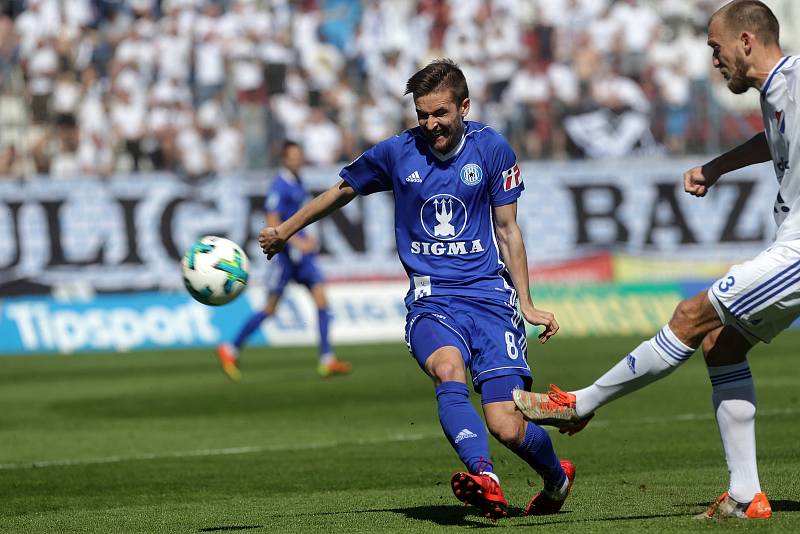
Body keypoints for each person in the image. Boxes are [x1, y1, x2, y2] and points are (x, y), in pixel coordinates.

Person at [513, 0, 797, 520]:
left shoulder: (797, 76)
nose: (714, 61)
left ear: (746, 42)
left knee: (692, 316)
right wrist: (716, 167)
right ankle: (743, 495)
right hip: (791, 243)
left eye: (716, 49)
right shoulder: (778, 93)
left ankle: (583, 402)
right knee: (721, 344)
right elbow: (772, 140)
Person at [259, 59, 574, 520]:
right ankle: (486, 478)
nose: (430, 124)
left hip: (490, 298)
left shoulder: (493, 150)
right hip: (432, 298)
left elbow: (508, 231)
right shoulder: (397, 152)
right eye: (422, 114)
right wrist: (286, 229)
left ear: (464, 106)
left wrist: (526, 303)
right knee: (448, 369)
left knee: (506, 425)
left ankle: (556, 480)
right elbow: (342, 190)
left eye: (440, 113)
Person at [217, 141, 352, 381]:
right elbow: (271, 218)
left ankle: (327, 359)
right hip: (286, 258)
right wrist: (297, 242)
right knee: (270, 308)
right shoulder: (279, 185)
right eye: (293, 157)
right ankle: (230, 348)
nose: (298, 160)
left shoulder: (298, 181)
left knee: (322, 300)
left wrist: (306, 240)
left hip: (303, 258)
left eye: (300, 156)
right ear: (284, 160)